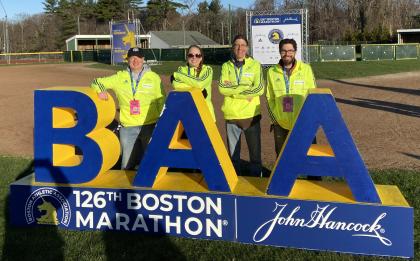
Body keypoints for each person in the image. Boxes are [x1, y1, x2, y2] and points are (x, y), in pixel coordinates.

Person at [90, 47, 166, 170]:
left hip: (150, 126)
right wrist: (100, 90)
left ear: (143, 59)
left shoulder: (154, 77)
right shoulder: (120, 77)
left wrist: (161, 122)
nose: (135, 60)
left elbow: (161, 100)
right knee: (126, 165)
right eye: (132, 58)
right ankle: (127, 189)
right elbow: (96, 82)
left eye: (138, 57)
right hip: (128, 127)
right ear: (127, 60)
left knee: (151, 163)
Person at [218, 35, 264, 176]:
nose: (240, 48)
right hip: (232, 116)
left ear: (247, 47)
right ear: (233, 47)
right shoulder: (226, 66)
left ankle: (257, 183)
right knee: (233, 157)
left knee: (255, 157)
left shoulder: (255, 65)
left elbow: (259, 89)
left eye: (243, 45)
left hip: (251, 117)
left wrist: (234, 90)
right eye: (237, 45)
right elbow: (222, 88)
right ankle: (235, 183)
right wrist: (244, 89)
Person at [266, 38, 317, 156]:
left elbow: (313, 95)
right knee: (281, 157)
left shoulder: (306, 69)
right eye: (284, 51)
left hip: (302, 121)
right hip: (281, 123)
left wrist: (309, 118)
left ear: (295, 52)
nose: (287, 54)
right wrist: (275, 120)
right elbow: (269, 98)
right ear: (279, 52)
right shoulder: (271, 72)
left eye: (290, 50)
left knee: (310, 155)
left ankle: (313, 176)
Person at [171, 45, 215, 121]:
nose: (194, 57)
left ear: (201, 58)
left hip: (205, 116)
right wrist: (199, 90)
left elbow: (200, 83)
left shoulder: (207, 70)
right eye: (191, 55)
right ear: (187, 57)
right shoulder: (181, 70)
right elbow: (176, 85)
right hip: (187, 115)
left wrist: (177, 75)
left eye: (197, 55)